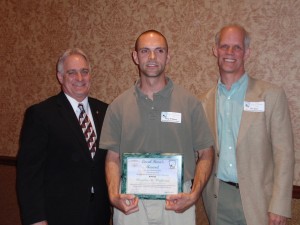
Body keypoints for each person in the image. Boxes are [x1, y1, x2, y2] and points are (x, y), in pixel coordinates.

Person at [99, 30, 214, 225]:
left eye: (159, 51)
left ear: (168, 57)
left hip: (177, 200)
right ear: (135, 57)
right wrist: (113, 195)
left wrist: (194, 194)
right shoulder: (118, 106)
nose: (152, 57)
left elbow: (206, 154)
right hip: (131, 202)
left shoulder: (190, 103)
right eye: (145, 51)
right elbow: (112, 158)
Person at [201, 24, 294, 225]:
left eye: (237, 47)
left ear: (247, 52)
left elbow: (284, 154)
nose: (230, 53)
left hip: (259, 200)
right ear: (215, 50)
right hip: (218, 199)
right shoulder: (205, 102)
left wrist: (279, 205)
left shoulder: (271, 96)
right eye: (224, 46)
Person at [17, 48, 111, 225]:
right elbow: (29, 174)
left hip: (98, 214)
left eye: (84, 71)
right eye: (72, 72)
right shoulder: (41, 114)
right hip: (58, 215)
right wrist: (36, 219)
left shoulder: (105, 111)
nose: (80, 78)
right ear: (60, 77)